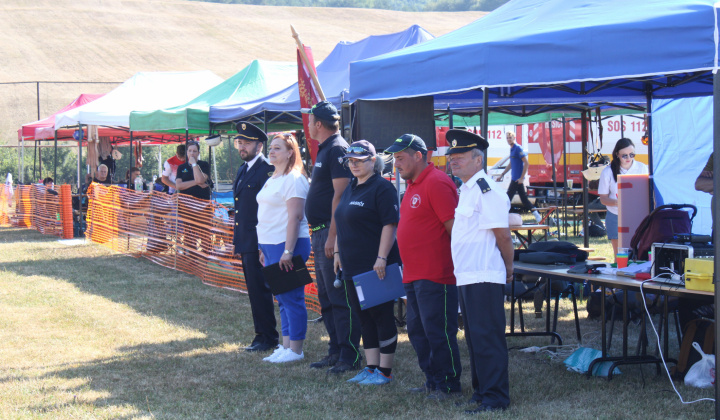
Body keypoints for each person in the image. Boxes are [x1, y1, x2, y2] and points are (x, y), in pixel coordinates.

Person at [386, 133, 462, 399]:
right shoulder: (414, 184)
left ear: (419, 155)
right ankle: (432, 380)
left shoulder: (437, 183)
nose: (396, 164)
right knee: (418, 331)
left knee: (438, 331)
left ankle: (449, 385)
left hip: (436, 274)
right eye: (394, 158)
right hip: (414, 274)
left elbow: (454, 230)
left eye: (400, 158)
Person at [446, 129, 513, 413]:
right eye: (451, 157)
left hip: (484, 275)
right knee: (474, 339)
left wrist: (508, 268)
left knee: (487, 339)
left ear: (478, 159)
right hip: (469, 275)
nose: (453, 161)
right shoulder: (469, 189)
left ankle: (495, 398)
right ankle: (482, 391)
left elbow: (503, 237)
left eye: (460, 157)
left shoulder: (488, 189)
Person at [333, 140, 401, 385]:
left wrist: (381, 257)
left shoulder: (382, 188)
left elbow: (389, 224)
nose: (354, 165)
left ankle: (385, 371)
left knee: (381, 316)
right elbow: (342, 221)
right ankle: (371, 367)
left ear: (373, 161)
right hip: (351, 266)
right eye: (350, 161)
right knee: (363, 318)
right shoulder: (352, 186)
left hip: (375, 266)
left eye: (359, 161)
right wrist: (338, 253)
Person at [301, 101, 359, 374]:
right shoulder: (327, 148)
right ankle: (335, 350)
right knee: (326, 296)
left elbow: (341, 194)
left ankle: (348, 354)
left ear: (319, 124)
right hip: (319, 231)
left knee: (339, 296)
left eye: (310, 121)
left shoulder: (336, 148)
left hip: (329, 231)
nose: (308, 126)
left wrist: (332, 238)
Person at [256, 133, 311, 364]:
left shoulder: (294, 178)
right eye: (271, 148)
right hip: (271, 246)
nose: (271, 151)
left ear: (290, 153)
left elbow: (295, 217)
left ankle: (296, 350)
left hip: (288, 245)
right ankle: (286, 345)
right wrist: (263, 249)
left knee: (292, 297)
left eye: (277, 148)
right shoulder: (274, 177)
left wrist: (288, 251)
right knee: (282, 298)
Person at [233, 122, 278, 353]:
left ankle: (268, 337)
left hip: (259, 241)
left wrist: (261, 244)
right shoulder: (243, 169)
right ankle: (260, 334)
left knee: (262, 290)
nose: (242, 147)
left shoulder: (266, 170)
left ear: (259, 145)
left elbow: (268, 209)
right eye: (239, 142)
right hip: (246, 241)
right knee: (253, 290)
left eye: (247, 143)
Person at [598, 138, 648, 257]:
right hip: (615, 215)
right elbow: (603, 198)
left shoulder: (642, 168)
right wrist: (618, 202)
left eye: (632, 154)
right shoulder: (608, 172)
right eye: (624, 155)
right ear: (617, 155)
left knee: (639, 254)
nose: (629, 158)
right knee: (620, 256)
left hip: (637, 215)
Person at [498, 132, 541, 222]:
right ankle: (536, 214)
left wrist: (521, 178)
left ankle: (502, 217)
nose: (509, 139)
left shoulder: (518, 148)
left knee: (508, 198)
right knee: (523, 199)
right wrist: (502, 174)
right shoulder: (512, 149)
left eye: (510, 137)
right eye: (507, 138)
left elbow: (526, 163)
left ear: (514, 137)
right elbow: (511, 164)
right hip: (514, 179)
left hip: (517, 180)